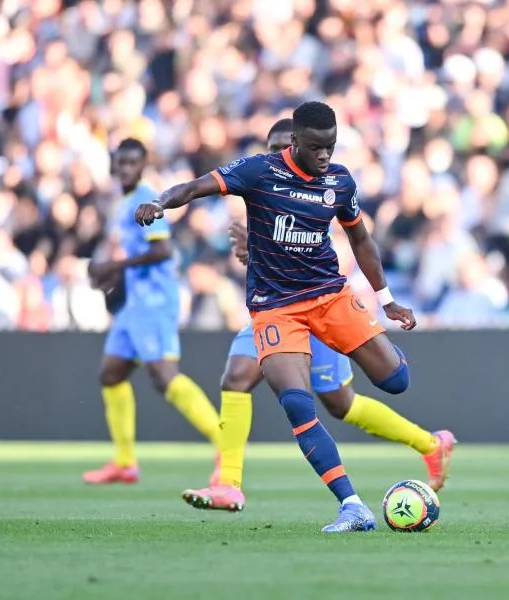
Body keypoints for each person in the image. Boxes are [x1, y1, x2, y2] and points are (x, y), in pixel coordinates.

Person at [136, 101, 454, 533]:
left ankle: (425, 437)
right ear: (296, 142)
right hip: (276, 308)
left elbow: (360, 238)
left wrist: (386, 299)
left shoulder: (339, 181)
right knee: (295, 402)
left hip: (330, 297)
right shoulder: (258, 171)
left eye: (332, 147)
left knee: (394, 381)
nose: (326, 156)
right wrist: (159, 203)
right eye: (318, 147)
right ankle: (351, 505)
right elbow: (193, 188)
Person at [83, 138, 222, 484]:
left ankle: (226, 444)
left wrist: (114, 266)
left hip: (156, 302)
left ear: (143, 165)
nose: (126, 168)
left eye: (133, 162)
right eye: (122, 162)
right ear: (114, 165)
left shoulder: (145, 198)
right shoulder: (123, 202)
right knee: (111, 374)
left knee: (164, 376)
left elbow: (162, 251)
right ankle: (125, 462)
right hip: (135, 305)